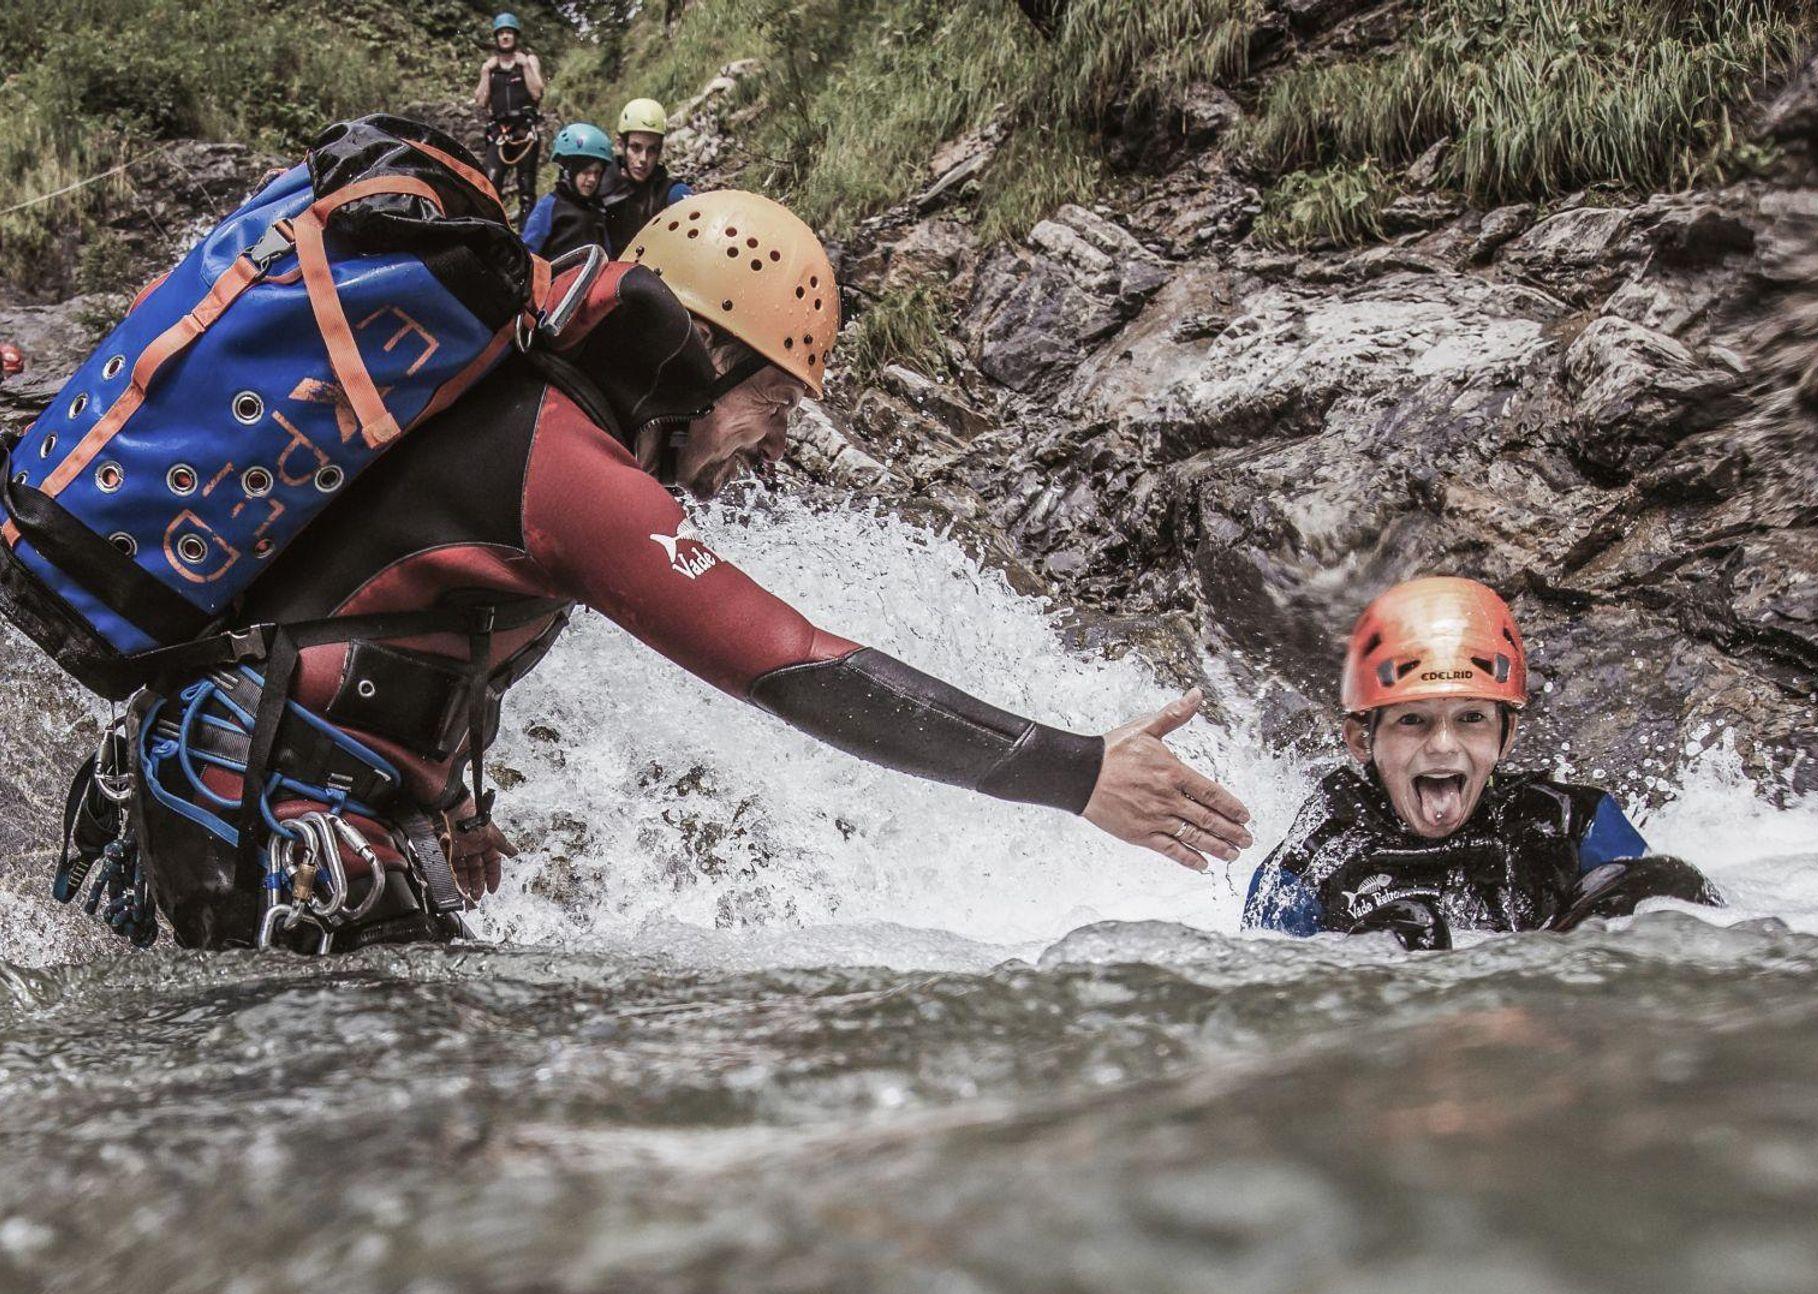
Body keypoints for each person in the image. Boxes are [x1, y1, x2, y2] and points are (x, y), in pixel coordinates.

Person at [124, 189, 1252, 952]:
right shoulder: (566, 463)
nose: (774, 441)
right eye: (773, 400)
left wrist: (449, 798)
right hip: (261, 799)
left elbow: (409, 614)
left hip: (256, 787)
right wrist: (1076, 772)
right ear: (705, 351)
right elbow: (801, 667)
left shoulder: (548, 431)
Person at [1244, 576, 1715, 948]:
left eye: (1471, 719)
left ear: (1507, 735)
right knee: (1411, 926)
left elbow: (1692, 924)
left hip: (1547, 1003)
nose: (1443, 746)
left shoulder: (1573, 823)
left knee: (1660, 878)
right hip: (1393, 1023)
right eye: (1412, 720)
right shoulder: (1314, 856)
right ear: (1361, 740)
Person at [600, 98, 693, 257]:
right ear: (621, 145)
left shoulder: (669, 191)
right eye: (636, 148)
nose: (643, 159)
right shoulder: (600, 188)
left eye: (652, 150)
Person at [473, 11, 545, 215]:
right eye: (501, 33)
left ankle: (527, 232)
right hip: (500, 132)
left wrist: (526, 66)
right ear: (496, 37)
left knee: (527, 190)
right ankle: (492, 228)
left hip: (524, 130)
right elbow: (481, 101)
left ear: (516, 36)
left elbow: (537, 93)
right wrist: (485, 72)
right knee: (490, 185)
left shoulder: (529, 61)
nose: (505, 36)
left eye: (509, 32)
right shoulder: (490, 67)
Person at [521, 124, 616, 260]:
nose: (592, 179)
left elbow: (608, 255)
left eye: (597, 173)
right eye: (586, 171)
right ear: (569, 172)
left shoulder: (597, 209)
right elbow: (528, 254)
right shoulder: (549, 206)